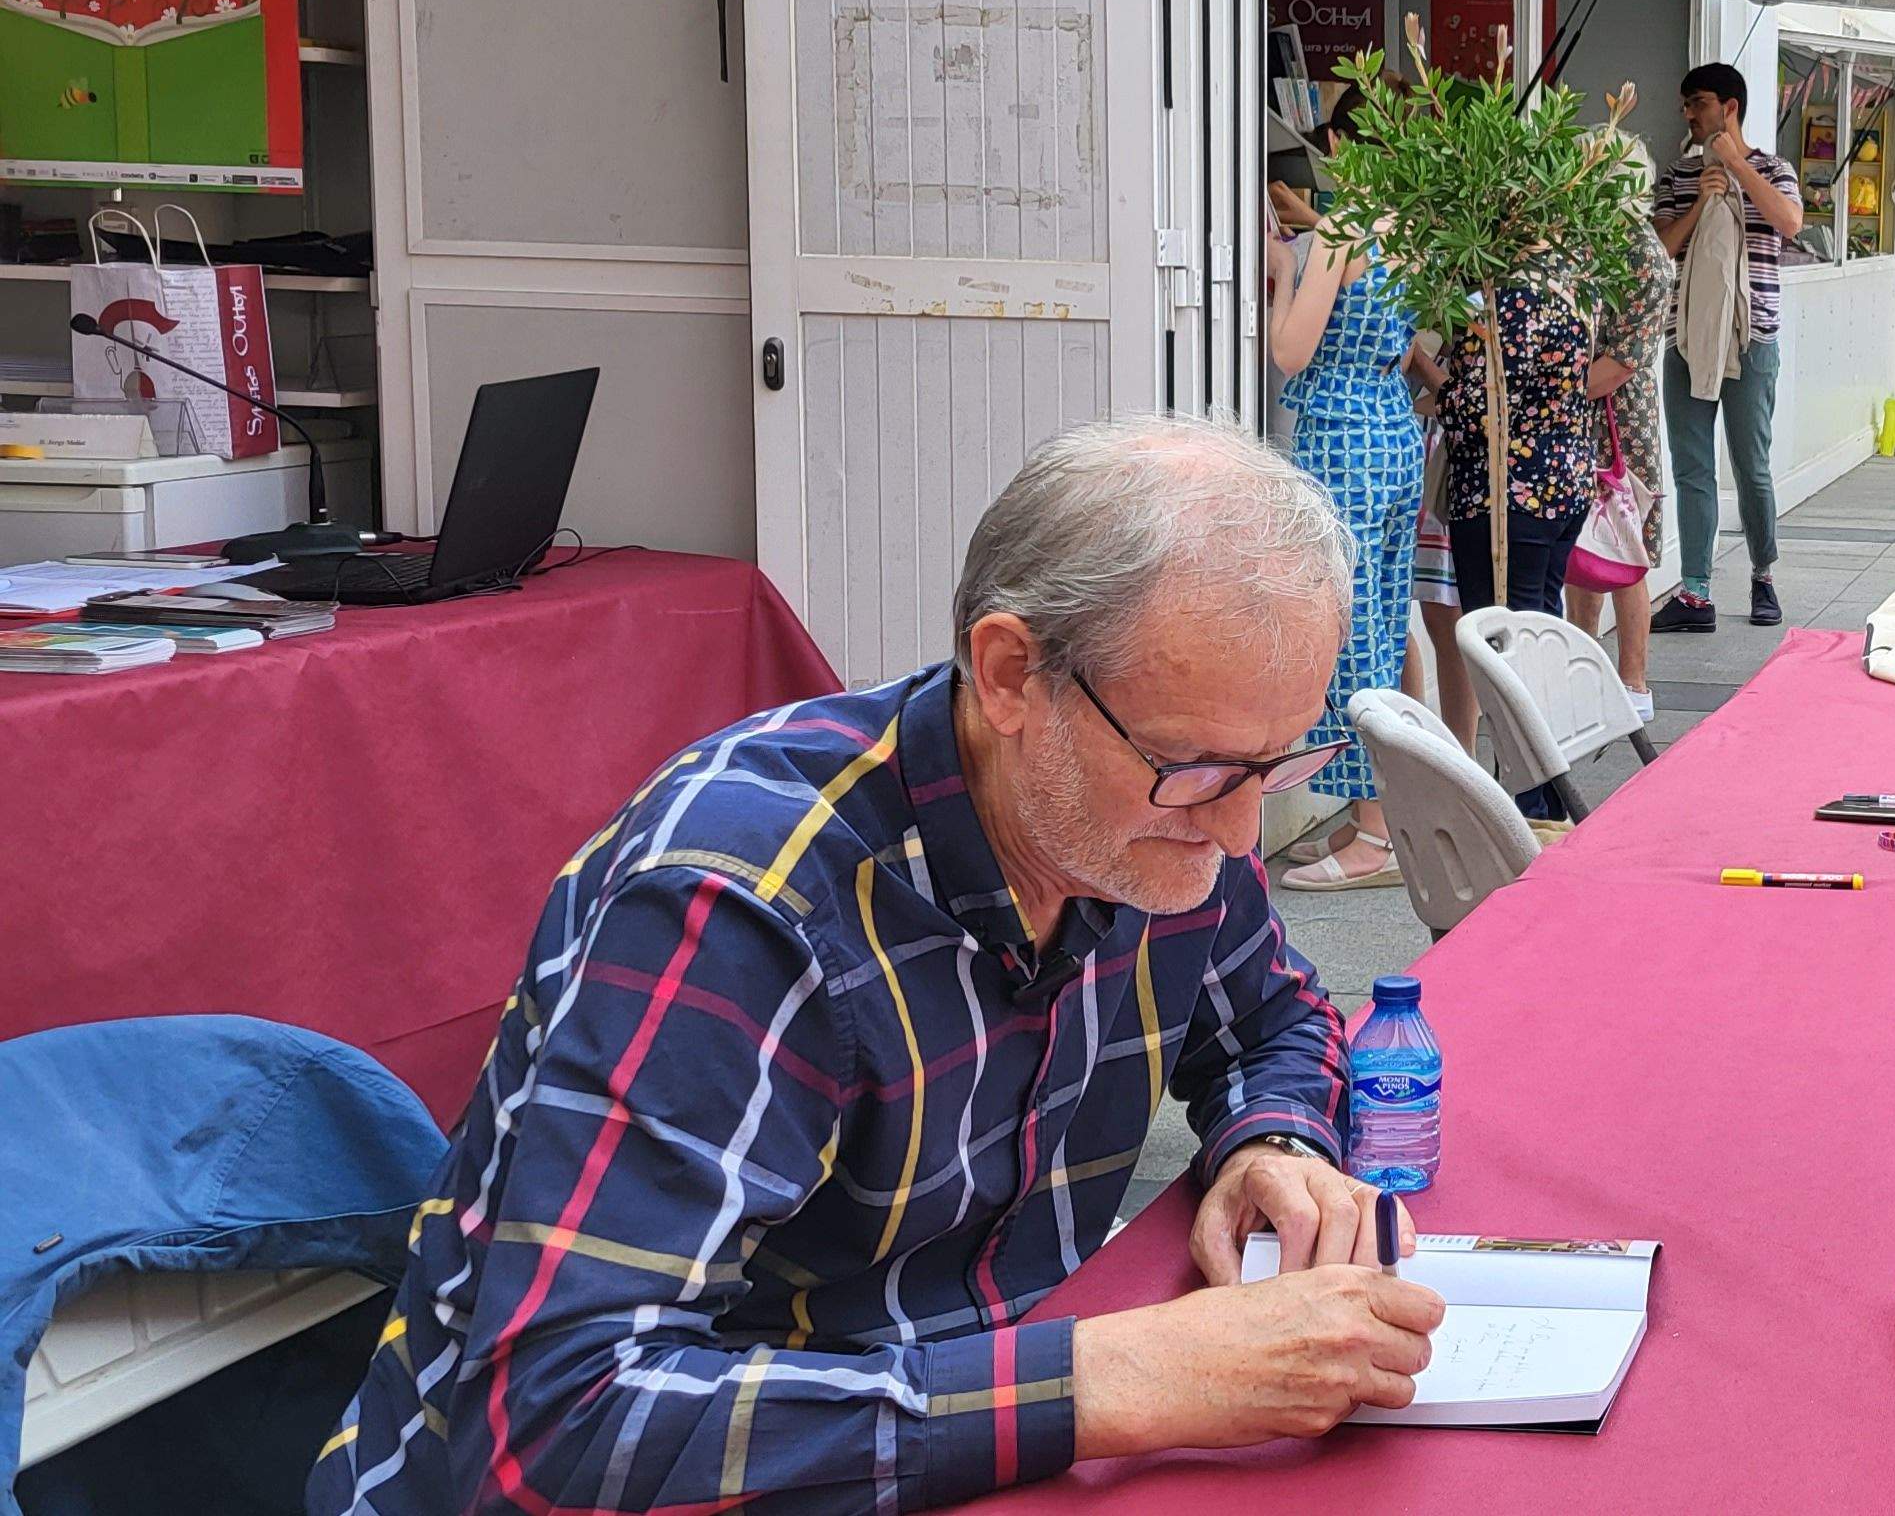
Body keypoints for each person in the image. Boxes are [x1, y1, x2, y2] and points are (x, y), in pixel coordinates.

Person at [312, 418, 1438, 1515]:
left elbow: (1270, 1023)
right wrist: (1110, 1379)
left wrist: (1269, 1142)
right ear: (1007, 675)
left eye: (1277, 762)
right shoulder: (736, 906)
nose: (1242, 836)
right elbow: (566, 1431)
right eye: (1195, 771)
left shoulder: (1154, 814)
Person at [1265, 144, 1420, 893]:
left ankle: (1377, 834)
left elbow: (1291, 351)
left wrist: (1279, 280)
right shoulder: (1412, 228)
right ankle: (1383, 821)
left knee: (1347, 631)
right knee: (1386, 623)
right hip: (1396, 428)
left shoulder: (1340, 234)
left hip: (1342, 435)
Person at [1432, 233, 1605, 816]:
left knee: (1500, 643)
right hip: (1563, 477)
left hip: (1507, 489)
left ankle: (1534, 798)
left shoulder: (1500, 299)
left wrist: (1428, 377)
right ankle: (1549, 788)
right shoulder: (1576, 279)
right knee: (1536, 626)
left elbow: (1476, 405)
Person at [1652, 61, 1808, 633]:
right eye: (1686, 105)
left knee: (1752, 466)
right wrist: (1699, 203)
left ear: (1729, 107)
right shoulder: (1675, 175)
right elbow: (1661, 250)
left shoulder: (1773, 168)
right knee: (1693, 469)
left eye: (1698, 102)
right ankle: (1695, 593)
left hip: (1753, 339)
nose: (1689, 114)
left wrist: (1737, 168)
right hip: (1687, 339)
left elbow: (1790, 222)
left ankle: (1763, 575)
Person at [1569, 133, 1684, 729]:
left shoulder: (1642, 254)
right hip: (1583, 411)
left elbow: (1624, 359)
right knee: (1583, 550)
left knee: (1624, 548)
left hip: (1618, 420)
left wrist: (1552, 391)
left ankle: (1632, 681)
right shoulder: (1587, 241)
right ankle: (1582, 671)